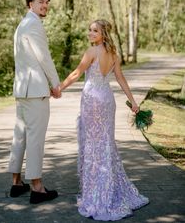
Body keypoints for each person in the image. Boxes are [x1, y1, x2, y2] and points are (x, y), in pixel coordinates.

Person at [60, 19, 149, 221]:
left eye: (94, 31)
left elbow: (76, 73)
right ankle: (107, 188)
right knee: (105, 144)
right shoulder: (114, 54)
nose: (90, 33)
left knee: (93, 144)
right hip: (107, 100)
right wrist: (133, 102)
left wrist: (59, 88)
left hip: (92, 100)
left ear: (103, 34)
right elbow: (120, 79)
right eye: (89, 30)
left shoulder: (92, 52)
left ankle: (97, 195)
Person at [8, 0, 61, 204]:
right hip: (35, 90)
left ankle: (16, 183)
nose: (45, 5)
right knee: (35, 139)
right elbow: (44, 57)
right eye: (41, 1)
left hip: (22, 90)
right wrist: (55, 84)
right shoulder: (34, 25)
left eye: (47, 2)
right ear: (30, 4)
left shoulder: (22, 25)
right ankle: (37, 188)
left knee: (20, 136)